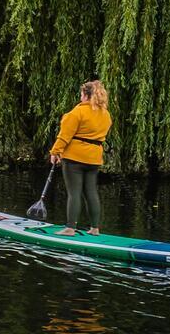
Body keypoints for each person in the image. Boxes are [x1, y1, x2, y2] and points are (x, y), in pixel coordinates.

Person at [50, 80, 111, 236]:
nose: (80, 97)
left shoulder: (77, 112)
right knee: (91, 192)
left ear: (85, 95)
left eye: (81, 94)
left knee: (74, 193)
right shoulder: (105, 114)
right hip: (94, 159)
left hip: (74, 159)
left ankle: (70, 228)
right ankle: (95, 228)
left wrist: (55, 152)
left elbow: (64, 136)